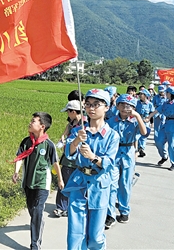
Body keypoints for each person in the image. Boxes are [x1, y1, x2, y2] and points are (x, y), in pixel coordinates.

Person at [62, 89, 119, 250]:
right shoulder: (79, 131)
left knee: (95, 236)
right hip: (79, 183)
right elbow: (69, 153)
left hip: (99, 185)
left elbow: (110, 163)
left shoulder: (112, 135)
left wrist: (93, 157)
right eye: (88, 104)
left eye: (96, 105)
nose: (91, 108)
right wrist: (76, 141)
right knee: (75, 234)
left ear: (106, 107)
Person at [12, 112, 64, 250]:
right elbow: (19, 157)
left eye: (33, 121)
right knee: (32, 209)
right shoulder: (26, 142)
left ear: (42, 126)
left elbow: (55, 163)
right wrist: (16, 172)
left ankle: (35, 244)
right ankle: (38, 221)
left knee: (37, 211)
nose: (30, 123)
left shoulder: (48, 145)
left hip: (42, 184)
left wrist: (60, 180)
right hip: (28, 183)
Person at [105, 94, 149, 228]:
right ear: (117, 106)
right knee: (111, 184)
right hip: (114, 152)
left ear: (134, 108)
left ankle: (124, 210)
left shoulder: (135, 121)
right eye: (122, 104)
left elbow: (144, 133)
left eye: (129, 106)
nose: (125, 108)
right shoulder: (111, 121)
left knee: (125, 183)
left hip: (128, 152)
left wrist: (137, 116)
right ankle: (110, 214)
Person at [55, 100, 83, 217]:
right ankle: (61, 207)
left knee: (75, 184)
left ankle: (71, 205)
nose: (67, 114)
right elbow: (67, 129)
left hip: (79, 158)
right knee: (64, 180)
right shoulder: (72, 122)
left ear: (73, 111)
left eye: (68, 112)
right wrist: (63, 136)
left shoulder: (84, 124)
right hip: (68, 157)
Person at [149, 86, 174, 171]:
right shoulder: (166, 103)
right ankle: (164, 156)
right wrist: (149, 117)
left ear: (171, 94)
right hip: (165, 124)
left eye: (167, 93)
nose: (166, 94)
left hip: (173, 125)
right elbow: (157, 110)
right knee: (158, 141)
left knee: (172, 145)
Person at [135, 89, 154, 157]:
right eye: (139, 94)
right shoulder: (137, 103)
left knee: (143, 136)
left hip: (145, 121)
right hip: (137, 121)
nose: (140, 96)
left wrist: (151, 122)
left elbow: (151, 113)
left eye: (141, 94)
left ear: (145, 96)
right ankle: (137, 148)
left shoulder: (150, 104)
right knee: (137, 135)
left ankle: (141, 149)